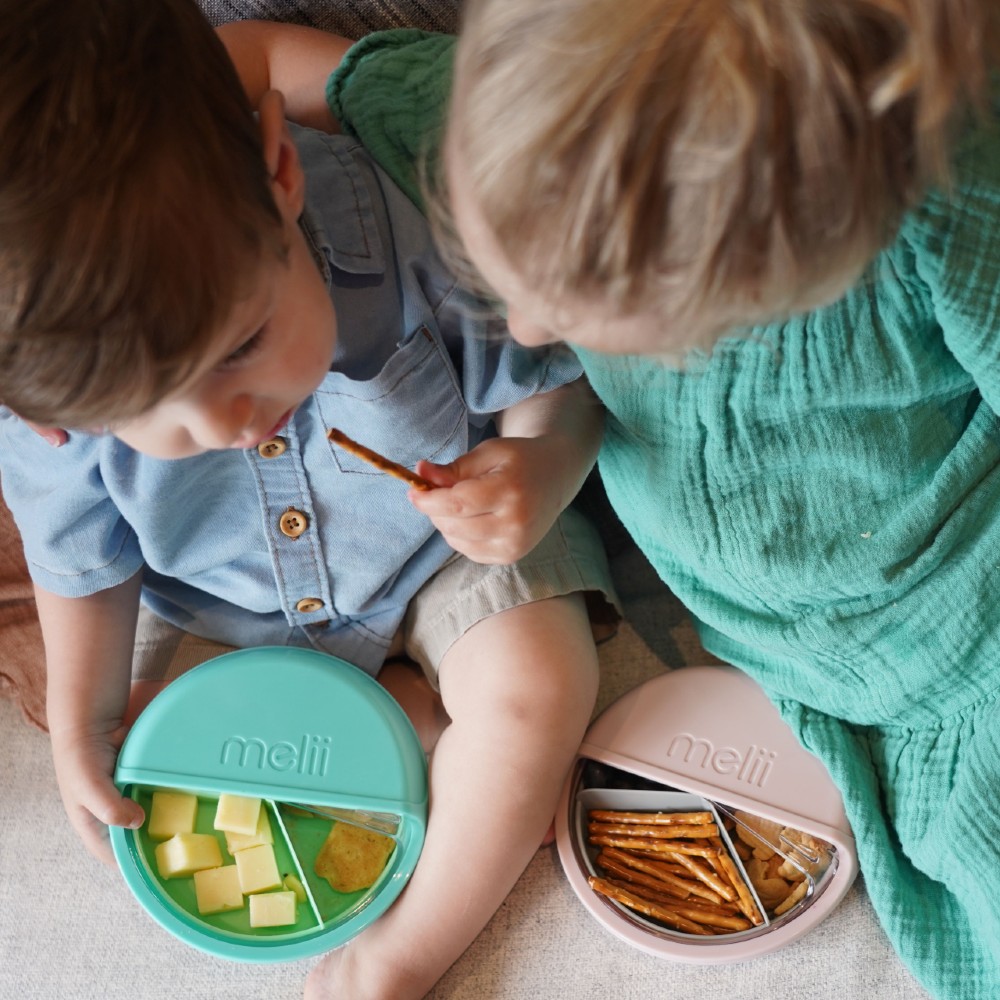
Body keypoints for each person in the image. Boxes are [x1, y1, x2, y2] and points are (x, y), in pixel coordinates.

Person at [219, 3, 1000, 999]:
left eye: (593, 321)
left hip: (959, 638)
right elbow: (257, 57)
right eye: (503, 275)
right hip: (762, 647)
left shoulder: (943, 195)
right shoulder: (529, 119)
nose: (534, 329)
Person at [0, 3, 620, 1000]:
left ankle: (402, 952)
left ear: (279, 174)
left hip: (444, 550)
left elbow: (560, 379)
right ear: (47, 421)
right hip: (232, 604)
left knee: (540, 687)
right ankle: (409, 727)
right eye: (154, 415)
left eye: (243, 341)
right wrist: (85, 717)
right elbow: (79, 562)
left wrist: (540, 474)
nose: (228, 419)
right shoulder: (54, 405)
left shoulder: (406, 223)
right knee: (171, 781)